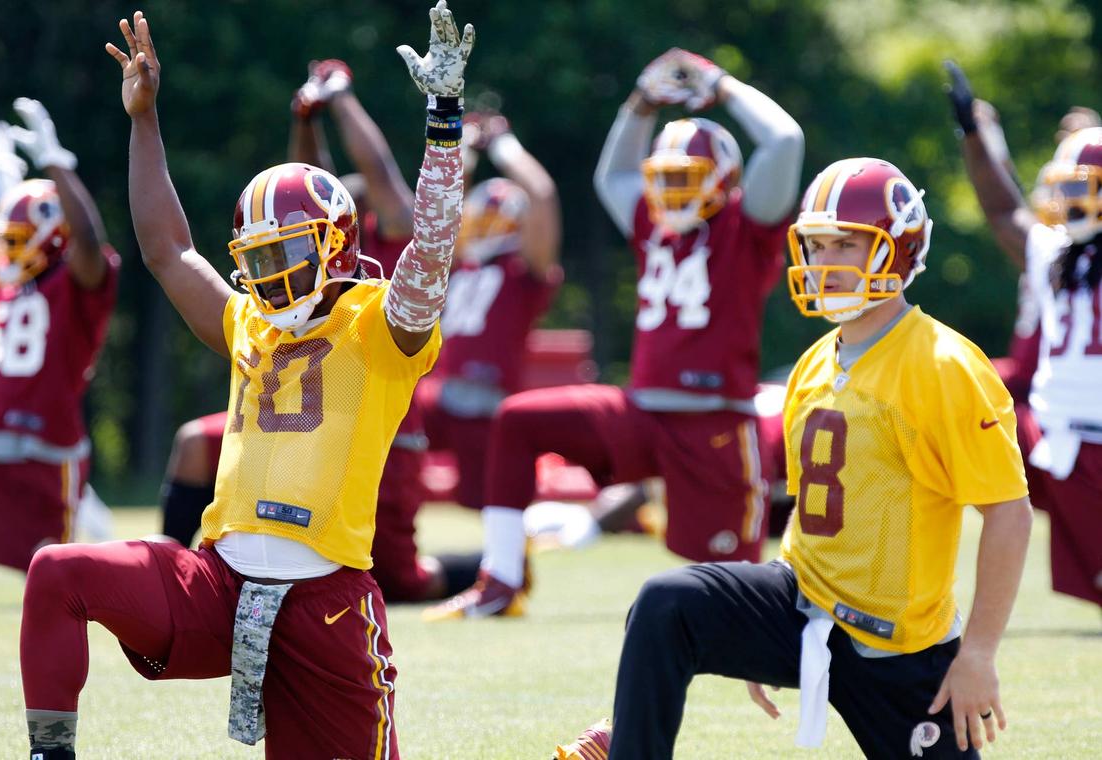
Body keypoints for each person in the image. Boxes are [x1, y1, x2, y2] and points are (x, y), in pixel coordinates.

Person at [18, 5, 471, 759]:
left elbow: (430, 253)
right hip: (218, 583)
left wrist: (444, 124)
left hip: (326, 603)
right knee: (58, 570)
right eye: (255, 257)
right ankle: (48, 751)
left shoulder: (377, 325)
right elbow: (167, 251)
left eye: (283, 253)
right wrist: (144, 118)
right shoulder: (251, 320)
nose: (265, 275)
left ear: (333, 245)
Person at [556, 157, 1033, 759]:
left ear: (899, 249)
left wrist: (980, 655)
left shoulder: (945, 366)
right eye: (816, 244)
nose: (825, 262)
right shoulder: (814, 362)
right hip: (804, 603)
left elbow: (1009, 513)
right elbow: (811, 511)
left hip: (898, 647)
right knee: (667, 603)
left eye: (847, 245)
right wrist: (763, 629)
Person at [425, 47, 804, 620]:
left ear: (725, 181)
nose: (672, 192)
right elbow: (616, 174)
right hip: (642, 412)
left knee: (733, 593)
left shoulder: (747, 231)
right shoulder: (654, 225)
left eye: (688, 179)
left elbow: (785, 140)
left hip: (714, 425)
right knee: (519, 420)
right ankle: (501, 580)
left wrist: (720, 84)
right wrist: (640, 103)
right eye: (666, 179)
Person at [156, 59, 480, 602]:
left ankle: (488, 564)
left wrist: (344, 97)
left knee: (396, 580)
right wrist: (306, 117)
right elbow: (296, 187)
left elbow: (409, 212)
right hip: (286, 411)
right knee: (195, 443)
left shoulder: (382, 276)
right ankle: (175, 579)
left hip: (366, 421)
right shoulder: (272, 292)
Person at [948, 64, 1102, 612]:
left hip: (1091, 447)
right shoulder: (1057, 253)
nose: (1071, 204)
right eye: (1068, 192)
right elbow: (1003, 209)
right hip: (1051, 437)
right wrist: (974, 136)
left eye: (1083, 191)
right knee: (941, 420)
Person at [0, 99, 118, 572]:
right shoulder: (7, 284)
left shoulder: (73, 287)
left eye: (15, 241)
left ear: (52, 237)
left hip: (45, 445)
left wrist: (57, 162)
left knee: (50, 569)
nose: (3, 253)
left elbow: (89, 242)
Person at [413, 108, 563, 512]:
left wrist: (503, 146)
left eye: (495, 218)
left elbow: (542, 194)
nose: (483, 226)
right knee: (382, 415)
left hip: (488, 403)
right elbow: (444, 205)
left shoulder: (523, 270)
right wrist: (466, 150)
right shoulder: (464, 264)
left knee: (490, 505)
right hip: (440, 393)